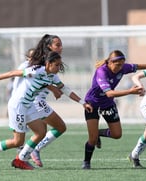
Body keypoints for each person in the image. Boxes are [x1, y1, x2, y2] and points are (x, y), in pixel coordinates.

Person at [82, 49, 146, 169]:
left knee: (117, 134)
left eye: (121, 65)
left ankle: (97, 133)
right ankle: (86, 162)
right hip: (92, 104)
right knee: (92, 139)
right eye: (117, 65)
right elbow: (109, 93)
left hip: (107, 104)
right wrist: (130, 91)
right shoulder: (101, 72)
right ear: (109, 62)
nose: (119, 68)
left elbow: (140, 66)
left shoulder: (122, 67)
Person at [17, 34, 93, 168]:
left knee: (41, 132)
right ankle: (28, 152)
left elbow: (62, 86)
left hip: (36, 101)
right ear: (49, 46)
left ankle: (24, 153)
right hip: (36, 101)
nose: (61, 47)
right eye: (57, 45)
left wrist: (82, 102)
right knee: (60, 127)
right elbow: (35, 77)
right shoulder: (42, 63)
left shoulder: (52, 60)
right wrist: (53, 88)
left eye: (61, 44)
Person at [0, 51, 65, 170]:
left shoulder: (45, 71)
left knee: (40, 132)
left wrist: (55, 90)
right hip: (18, 105)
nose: (59, 67)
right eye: (57, 65)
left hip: (28, 105)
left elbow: (46, 82)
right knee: (18, 141)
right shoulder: (30, 68)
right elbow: (12, 73)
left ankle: (20, 160)